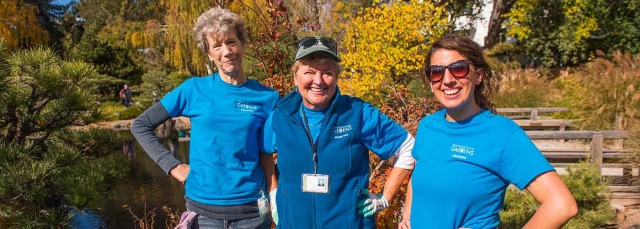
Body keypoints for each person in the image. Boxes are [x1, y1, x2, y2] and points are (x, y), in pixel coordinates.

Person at [398, 34, 577, 229]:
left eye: (459, 69)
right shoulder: (428, 126)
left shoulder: (502, 134)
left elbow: (561, 205)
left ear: (479, 75)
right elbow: (418, 177)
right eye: (436, 72)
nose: (447, 80)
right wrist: (407, 215)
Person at [131, 7, 279, 229]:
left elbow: (265, 154)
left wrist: (274, 194)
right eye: (217, 46)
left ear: (242, 45)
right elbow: (140, 125)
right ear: (209, 54)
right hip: (203, 215)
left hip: (252, 214)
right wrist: (173, 166)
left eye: (231, 42)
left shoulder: (267, 97)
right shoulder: (193, 90)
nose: (226, 51)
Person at [260, 36, 416, 228]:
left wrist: (384, 198)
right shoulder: (281, 116)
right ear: (295, 76)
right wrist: (273, 191)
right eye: (309, 72)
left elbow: (408, 147)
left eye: (327, 73)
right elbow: (264, 150)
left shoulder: (357, 113)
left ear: (337, 76)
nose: (318, 81)